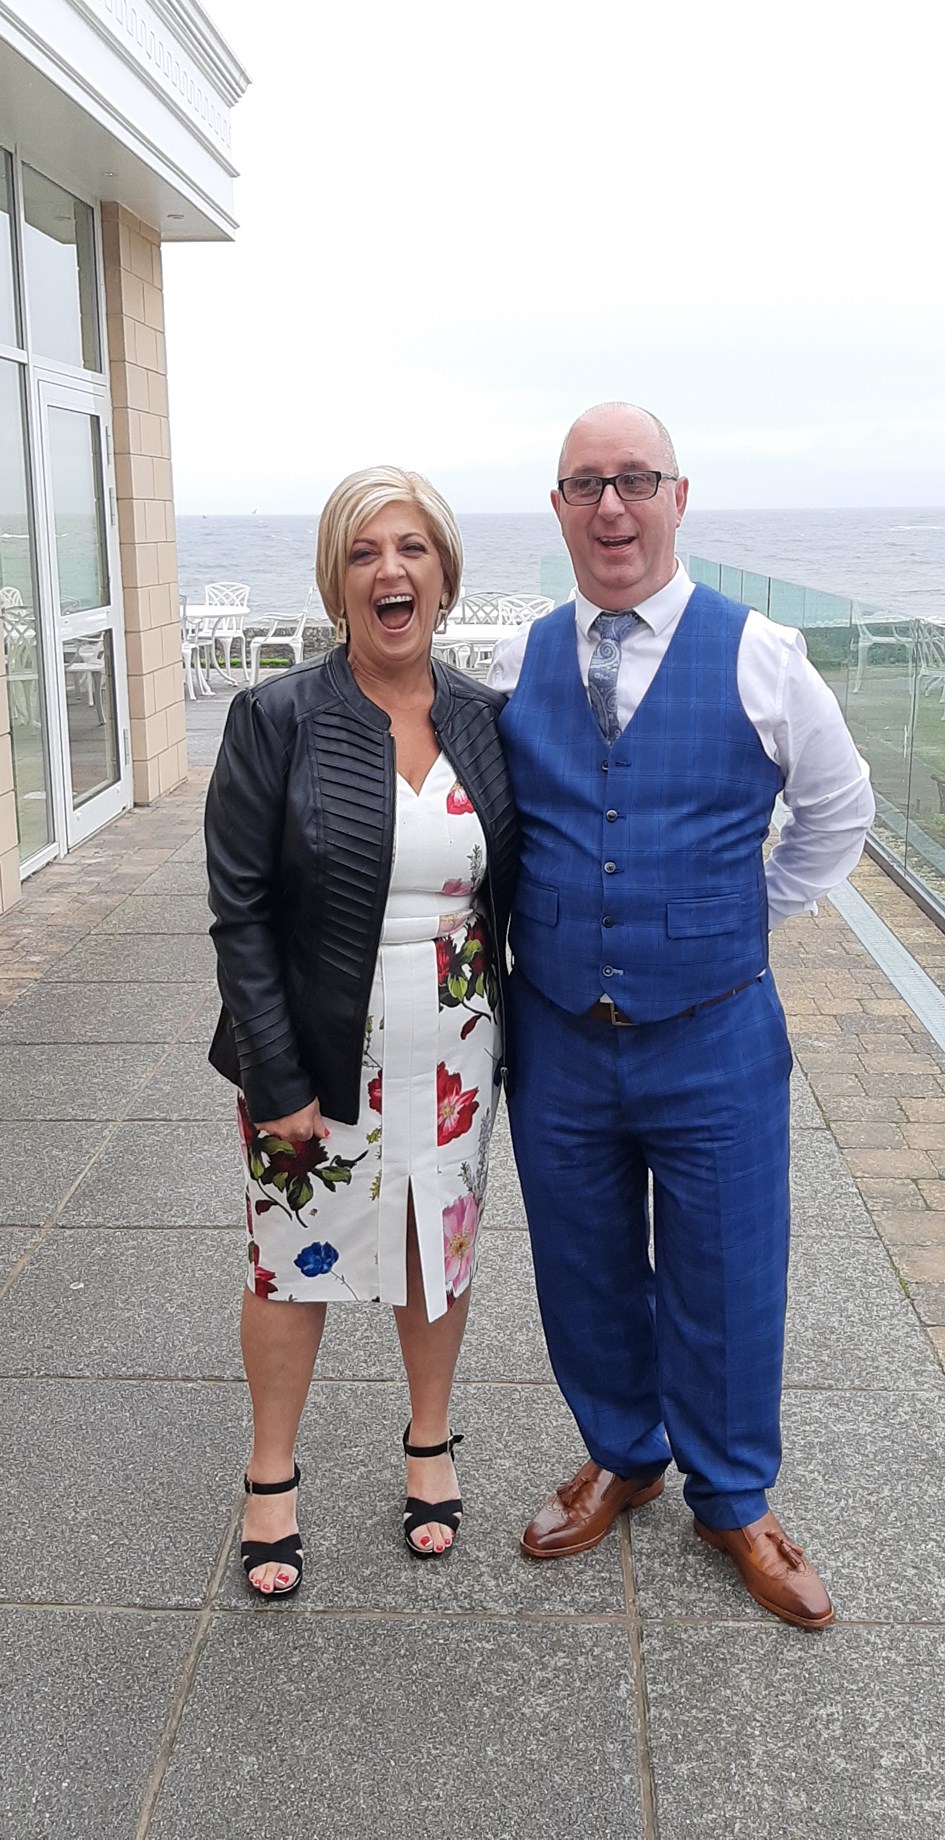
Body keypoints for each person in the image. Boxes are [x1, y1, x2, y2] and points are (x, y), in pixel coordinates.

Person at [488, 402, 874, 1630]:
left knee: (730, 1269)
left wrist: (745, 908)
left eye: (636, 479)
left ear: (679, 497)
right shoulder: (520, 659)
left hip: (715, 1031)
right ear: (558, 508)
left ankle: (735, 1496)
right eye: (586, 484)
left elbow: (840, 808)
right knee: (582, 1261)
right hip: (559, 1030)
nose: (612, 506)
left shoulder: (763, 653)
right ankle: (623, 1453)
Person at [205, 466, 517, 1595]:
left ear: (445, 575)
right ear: (337, 582)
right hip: (317, 1038)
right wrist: (274, 1070)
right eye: (364, 551)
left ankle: (429, 1441)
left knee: (439, 1245)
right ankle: (271, 1470)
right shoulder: (275, 718)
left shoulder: (485, 718)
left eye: (413, 548)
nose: (391, 570)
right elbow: (240, 910)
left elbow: (514, 886)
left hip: (458, 1043)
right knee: (292, 1259)